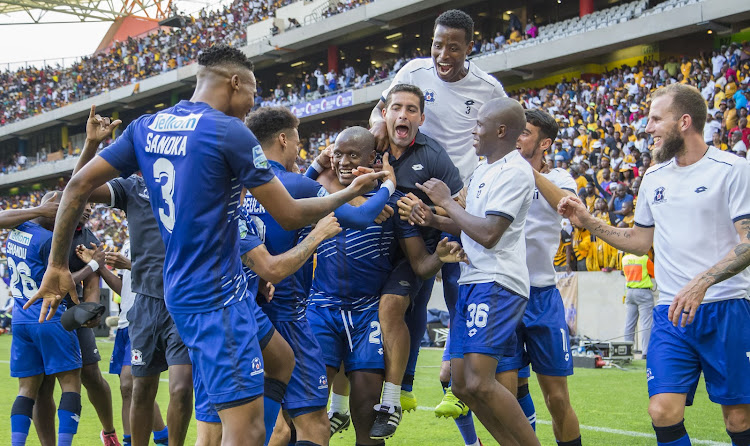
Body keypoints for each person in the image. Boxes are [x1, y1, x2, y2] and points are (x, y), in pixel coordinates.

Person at [26, 44, 385, 445]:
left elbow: (77, 186)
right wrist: (347, 191)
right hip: (215, 299)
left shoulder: (147, 126)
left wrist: (57, 265)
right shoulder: (228, 131)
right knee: (244, 432)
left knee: (281, 361)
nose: (253, 105)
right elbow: (289, 214)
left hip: (195, 287)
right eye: (252, 92)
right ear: (234, 83)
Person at [558, 83, 750, 446]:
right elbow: (640, 241)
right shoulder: (653, 177)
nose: (647, 128)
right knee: (662, 411)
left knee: (739, 419)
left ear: (684, 122)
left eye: (655, 119)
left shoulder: (732, 169)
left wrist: (701, 283)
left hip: (726, 307)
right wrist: (588, 221)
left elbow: (748, 241)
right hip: (670, 312)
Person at [369, 9, 506, 424]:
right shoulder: (413, 71)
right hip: (409, 196)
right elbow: (381, 112)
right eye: (437, 44)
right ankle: (404, 386)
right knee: (407, 288)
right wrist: (378, 126)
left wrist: (462, 197)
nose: (442, 54)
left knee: (456, 288)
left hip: (457, 201)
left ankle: (459, 382)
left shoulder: (488, 87)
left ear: (469, 46)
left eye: (452, 46)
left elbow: (500, 146)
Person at [306, 126, 466, 445]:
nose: (344, 161)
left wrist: (440, 256)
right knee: (308, 412)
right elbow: (286, 190)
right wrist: (314, 166)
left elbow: (419, 264)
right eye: (338, 154)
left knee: (368, 418)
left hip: (367, 316)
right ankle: (337, 409)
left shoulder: (394, 205)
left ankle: (381, 402)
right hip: (321, 311)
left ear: (373, 159)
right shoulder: (316, 195)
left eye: (353, 155)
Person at [244, 108, 394, 446]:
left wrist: (312, 169)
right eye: (297, 141)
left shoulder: (242, 185)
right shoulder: (299, 185)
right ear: (283, 139)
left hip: (247, 314)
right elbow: (360, 216)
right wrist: (389, 185)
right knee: (313, 424)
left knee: (263, 424)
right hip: (289, 317)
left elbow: (290, 191)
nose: (300, 149)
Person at [408, 97, 540, 446]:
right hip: (473, 279)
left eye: (479, 124)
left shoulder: (515, 172)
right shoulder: (483, 170)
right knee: (464, 385)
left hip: (497, 283)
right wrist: (433, 217)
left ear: (500, 130)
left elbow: (489, 233)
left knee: (481, 381)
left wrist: (447, 201)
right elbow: (470, 226)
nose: (473, 129)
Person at [75, 105, 191, 446]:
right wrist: (92, 146)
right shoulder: (131, 188)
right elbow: (80, 186)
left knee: (183, 389)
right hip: (146, 304)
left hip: (185, 300)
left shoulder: (193, 179)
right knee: (140, 389)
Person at [493, 109, 583, 445]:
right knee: (505, 396)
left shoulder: (560, 177)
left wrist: (525, 172)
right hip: (503, 294)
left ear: (544, 143)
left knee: (557, 399)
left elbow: (569, 207)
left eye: (526, 133)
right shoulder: (496, 174)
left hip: (543, 296)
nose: (517, 138)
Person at [4, 193, 83, 446]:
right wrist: (93, 267)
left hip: (20, 320)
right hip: (49, 317)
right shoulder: (51, 241)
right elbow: (65, 281)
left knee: (27, 390)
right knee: (70, 384)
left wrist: (38, 208)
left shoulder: (16, 232)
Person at [76, 241, 169, 446]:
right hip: (125, 322)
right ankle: (163, 436)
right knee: (131, 388)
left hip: (146, 318)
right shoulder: (129, 241)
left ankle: (133, 441)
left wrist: (129, 265)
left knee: (130, 382)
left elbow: (170, 274)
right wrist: (98, 265)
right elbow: (124, 287)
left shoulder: (158, 232)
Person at [622, 252, 655, 358]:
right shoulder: (644, 259)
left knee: (629, 323)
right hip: (643, 292)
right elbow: (654, 273)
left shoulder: (625, 259)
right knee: (646, 324)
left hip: (630, 292)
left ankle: (627, 352)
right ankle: (645, 353)